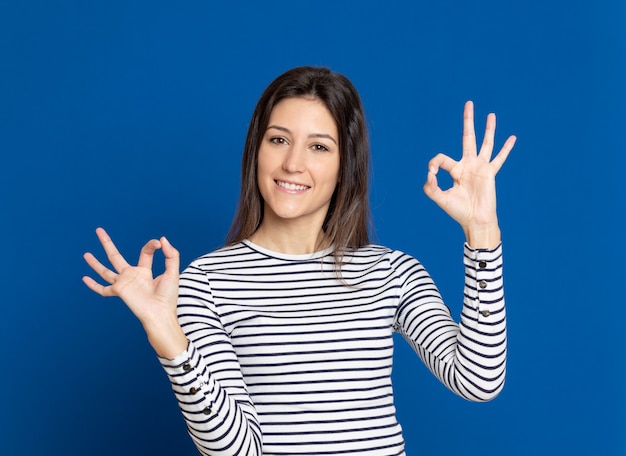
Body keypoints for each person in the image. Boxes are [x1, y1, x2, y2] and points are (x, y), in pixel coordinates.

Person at [83, 66, 516, 456]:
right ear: (257, 150)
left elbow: (477, 380)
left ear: (346, 164)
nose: (293, 163)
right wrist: (166, 333)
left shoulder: (392, 272)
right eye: (279, 140)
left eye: (319, 147)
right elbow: (235, 451)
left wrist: (482, 233)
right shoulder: (205, 282)